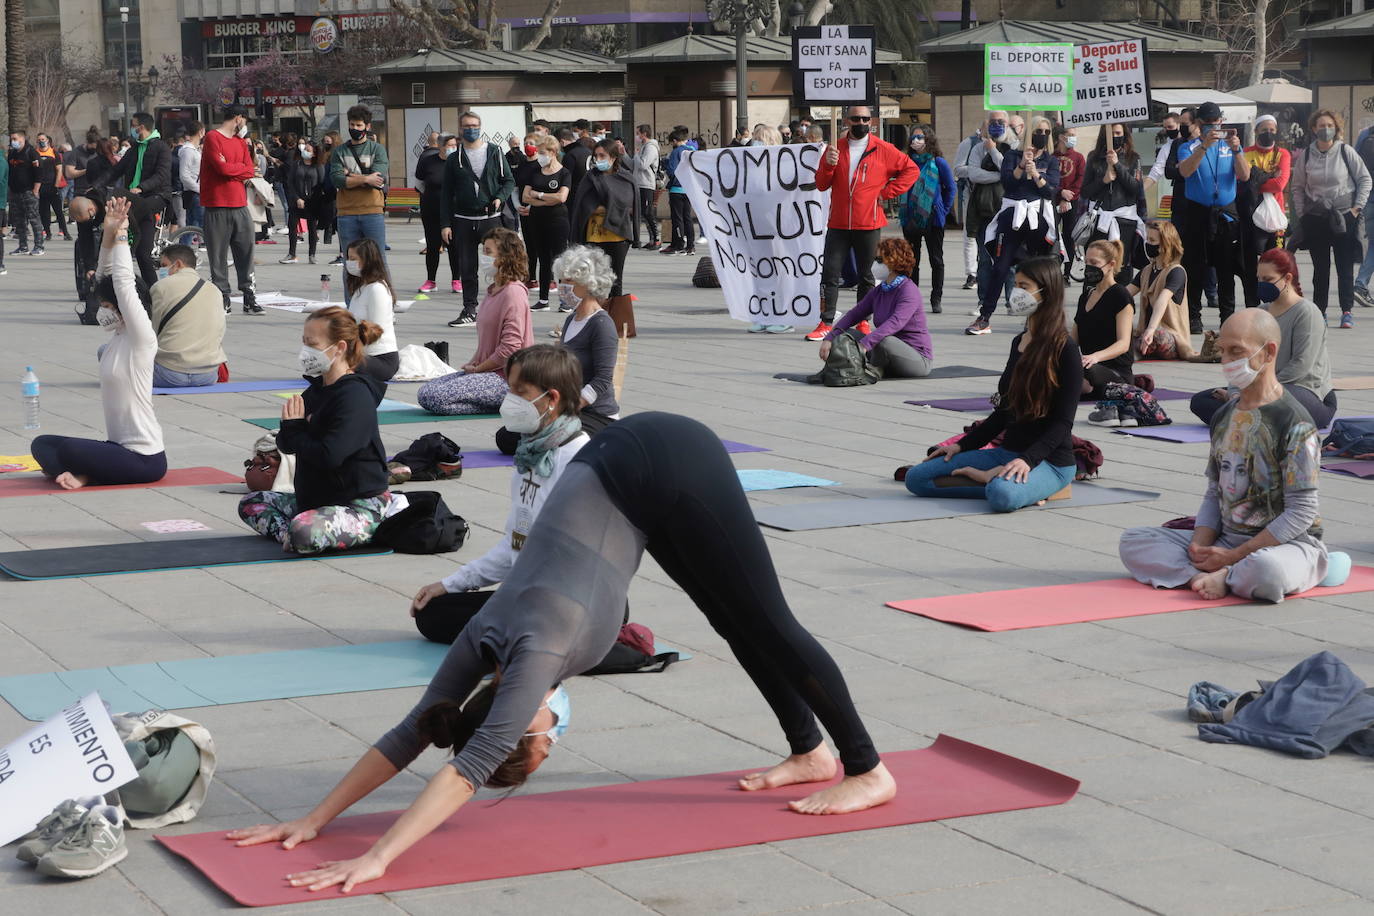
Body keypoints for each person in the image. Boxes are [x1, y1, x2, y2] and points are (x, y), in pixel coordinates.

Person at [226, 410, 897, 892]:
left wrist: (377, 857)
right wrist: (312, 820)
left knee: (769, 620)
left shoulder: (538, 658)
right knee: (733, 619)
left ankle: (866, 768)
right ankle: (810, 750)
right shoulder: (482, 638)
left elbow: (466, 768)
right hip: (620, 474)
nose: (559, 737)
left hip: (664, 453)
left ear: (529, 729)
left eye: (546, 748)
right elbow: (412, 732)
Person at [1120, 308, 1328, 603]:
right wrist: (1200, 546)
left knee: (1268, 570)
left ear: (1269, 352)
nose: (1227, 361)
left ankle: (1229, 574)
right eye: (1223, 352)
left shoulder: (1295, 422)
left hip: (1285, 546)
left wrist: (1235, 555)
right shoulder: (1224, 415)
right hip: (1227, 537)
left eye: (1236, 351)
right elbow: (1215, 491)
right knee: (1134, 541)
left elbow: (1302, 512)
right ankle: (1204, 578)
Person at [413, 345, 591, 638]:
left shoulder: (579, 461)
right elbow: (514, 545)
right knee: (432, 612)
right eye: (510, 390)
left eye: (520, 392)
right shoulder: (530, 454)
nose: (509, 401)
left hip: (570, 600)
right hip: (529, 594)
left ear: (552, 399)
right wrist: (450, 584)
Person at [905, 256, 1081, 510]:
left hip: (1049, 461)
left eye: (1025, 286)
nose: (1017, 292)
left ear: (1047, 291)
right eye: (1017, 284)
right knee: (917, 478)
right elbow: (1003, 414)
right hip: (1007, 452)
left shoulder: (1066, 349)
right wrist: (960, 446)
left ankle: (1012, 483)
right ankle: (1010, 484)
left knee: (1001, 496)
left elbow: (1063, 423)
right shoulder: (1018, 342)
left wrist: (1028, 461)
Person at [31, 198, 166, 487]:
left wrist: (122, 235)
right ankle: (85, 470)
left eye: (107, 305)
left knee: (69, 451)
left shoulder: (141, 338)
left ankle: (85, 475)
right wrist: (108, 230)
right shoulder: (118, 337)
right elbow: (103, 277)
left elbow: (122, 283)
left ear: (124, 307)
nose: (102, 310)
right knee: (41, 444)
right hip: (116, 449)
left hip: (145, 458)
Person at [238, 308, 390, 555]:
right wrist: (293, 428)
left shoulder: (354, 397)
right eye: (304, 342)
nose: (306, 351)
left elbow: (329, 455)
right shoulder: (318, 390)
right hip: (315, 502)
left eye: (312, 343)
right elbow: (286, 444)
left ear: (339, 347)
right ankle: (298, 533)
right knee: (251, 503)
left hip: (357, 506)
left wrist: (296, 430)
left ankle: (305, 533)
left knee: (303, 530)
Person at [1190, 248, 1336, 428]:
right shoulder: (1261, 312)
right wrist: (1236, 391)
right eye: (1259, 279)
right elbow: (1242, 357)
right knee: (1201, 401)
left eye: (1268, 280)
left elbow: (1300, 366)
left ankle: (1243, 413)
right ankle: (1247, 412)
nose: (1261, 284)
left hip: (1305, 391)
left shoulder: (1306, 312)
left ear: (1287, 279)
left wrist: (1252, 390)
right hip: (1259, 387)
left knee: (1267, 403)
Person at [810, 105, 921, 341]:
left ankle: (863, 321)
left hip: (868, 222)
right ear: (847, 121)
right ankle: (826, 321)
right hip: (839, 223)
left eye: (865, 118)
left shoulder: (883, 149)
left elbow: (911, 170)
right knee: (829, 273)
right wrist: (828, 164)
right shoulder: (835, 149)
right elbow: (821, 184)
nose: (861, 122)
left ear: (871, 121)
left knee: (866, 276)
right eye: (856, 118)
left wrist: (887, 192)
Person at [418, 228, 534, 415]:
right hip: (487, 371)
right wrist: (472, 365)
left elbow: (510, 348)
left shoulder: (513, 292)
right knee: (426, 391)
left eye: (488, 252)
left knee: (436, 397)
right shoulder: (493, 290)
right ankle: (495, 404)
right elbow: (487, 345)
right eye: (483, 251)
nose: (483, 257)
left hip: (508, 378)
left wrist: (479, 369)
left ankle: (509, 402)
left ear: (505, 257)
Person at [965, 116, 1060, 336]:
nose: (1042, 135)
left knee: (1037, 270)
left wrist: (1035, 173)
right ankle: (985, 317)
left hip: (1037, 217)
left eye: (1046, 132)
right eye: (1039, 131)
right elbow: (1007, 183)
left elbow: (1050, 191)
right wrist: (1020, 165)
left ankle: (1036, 319)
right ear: (1029, 131)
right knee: (1000, 267)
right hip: (1012, 215)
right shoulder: (1012, 155)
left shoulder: (1050, 160)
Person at [1175, 101, 1251, 334]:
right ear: (1198, 124)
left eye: (1215, 123)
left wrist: (1237, 150)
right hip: (1198, 212)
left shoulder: (1230, 146)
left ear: (1222, 122)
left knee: (1226, 270)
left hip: (1225, 215)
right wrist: (1204, 147)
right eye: (1206, 124)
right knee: (1194, 267)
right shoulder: (1188, 147)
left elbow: (1245, 175)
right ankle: (1193, 317)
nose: (1211, 127)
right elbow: (1185, 171)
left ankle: (1227, 317)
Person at [1291, 108, 1371, 329]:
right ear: (1313, 128)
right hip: (1316, 216)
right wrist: (1302, 213)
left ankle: (1346, 311)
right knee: (1320, 268)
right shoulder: (1306, 154)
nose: (1325, 130)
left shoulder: (1346, 151)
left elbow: (1365, 179)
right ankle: (1320, 311)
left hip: (1344, 216)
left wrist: (1357, 208)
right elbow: (1297, 187)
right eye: (1321, 126)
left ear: (1336, 129)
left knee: (1345, 266)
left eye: (1329, 126)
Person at [538, 245, 622, 441]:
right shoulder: (571, 319)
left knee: (549, 436)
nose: (562, 287)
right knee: (509, 435)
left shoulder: (602, 324)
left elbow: (603, 379)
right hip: (570, 407)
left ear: (588, 283)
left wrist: (569, 406)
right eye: (560, 281)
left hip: (598, 414)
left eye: (568, 281)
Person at [440, 111, 515, 328]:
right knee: (467, 267)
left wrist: (500, 198)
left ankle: (504, 306)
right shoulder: (455, 158)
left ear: (480, 127)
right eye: (466, 126)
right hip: (463, 219)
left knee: (498, 264)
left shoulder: (494, 152)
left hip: (490, 218)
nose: (470, 129)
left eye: (474, 125)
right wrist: (445, 224)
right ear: (460, 129)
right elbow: (446, 194)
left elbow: (508, 181)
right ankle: (469, 309)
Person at [818, 238, 932, 379]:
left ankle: (868, 369)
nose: (874, 263)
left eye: (879, 259)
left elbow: (895, 323)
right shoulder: (880, 290)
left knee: (884, 340)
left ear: (893, 261)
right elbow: (854, 314)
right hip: (886, 352)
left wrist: (865, 344)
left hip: (917, 359)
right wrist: (830, 337)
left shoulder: (909, 290)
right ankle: (845, 367)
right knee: (844, 334)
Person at [202, 105, 260, 315]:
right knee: (217, 255)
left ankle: (249, 296)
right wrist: (239, 170)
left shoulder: (240, 142)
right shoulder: (212, 137)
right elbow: (221, 168)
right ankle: (222, 297)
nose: (245, 124)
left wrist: (235, 170)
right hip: (217, 204)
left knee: (246, 252)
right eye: (244, 119)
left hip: (240, 205)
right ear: (238, 118)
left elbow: (250, 169)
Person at [955, 112, 1017, 307]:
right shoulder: (977, 148)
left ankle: (1010, 300)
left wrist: (993, 152)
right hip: (982, 210)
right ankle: (983, 301)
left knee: (1009, 260)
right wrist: (1000, 176)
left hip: (1007, 211)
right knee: (984, 259)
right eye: (993, 122)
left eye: (1001, 122)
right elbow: (973, 174)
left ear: (1008, 125)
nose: (996, 125)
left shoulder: (1015, 147)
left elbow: (1011, 172)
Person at [330, 104, 390, 303]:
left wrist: (351, 176)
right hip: (346, 213)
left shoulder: (377, 149)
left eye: (358, 124)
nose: (354, 128)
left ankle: (383, 303)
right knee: (351, 264)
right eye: (351, 124)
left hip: (372, 211)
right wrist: (365, 178)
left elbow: (379, 178)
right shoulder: (339, 151)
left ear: (367, 126)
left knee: (378, 259)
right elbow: (337, 180)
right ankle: (352, 305)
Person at [569, 139, 638, 301]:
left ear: (613, 157)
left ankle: (615, 316)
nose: (598, 159)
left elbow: (627, 203)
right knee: (593, 279)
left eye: (602, 155)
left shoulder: (626, 178)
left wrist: (602, 207)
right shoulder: (590, 178)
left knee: (615, 279)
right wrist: (607, 207)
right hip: (593, 235)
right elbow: (584, 205)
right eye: (596, 156)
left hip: (618, 235)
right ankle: (595, 313)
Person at [149, 244, 226, 388]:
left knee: (106, 351)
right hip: (208, 375)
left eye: (164, 265)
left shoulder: (161, 287)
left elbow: (152, 332)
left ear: (177, 264)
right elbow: (220, 332)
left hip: (168, 373)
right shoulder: (214, 290)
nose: (162, 270)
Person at [897, 124, 955, 314]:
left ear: (928, 139)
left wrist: (943, 209)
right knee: (912, 260)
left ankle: (935, 298)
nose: (916, 141)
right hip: (910, 217)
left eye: (920, 137)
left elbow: (950, 188)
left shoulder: (938, 162)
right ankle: (912, 300)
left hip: (932, 218)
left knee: (936, 260)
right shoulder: (905, 161)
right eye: (913, 138)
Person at [1072, 240, 1135, 406]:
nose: (1088, 267)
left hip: (1114, 370)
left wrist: (1095, 357)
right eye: (1086, 262)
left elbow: (1123, 344)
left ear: (1111, 265)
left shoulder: (1120, 295)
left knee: (1082, 373)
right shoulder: (1085, 296)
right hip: (1087, 365)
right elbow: (1073, 340)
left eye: (1094, 263)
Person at [113, 112, 173, 286]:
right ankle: (150, 286)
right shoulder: (134, 149)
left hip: (156, 196)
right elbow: (116, 171)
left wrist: (142, 187)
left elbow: (161, 176)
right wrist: (96, 184)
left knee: (140, 247)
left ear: (141, 127)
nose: (131, 128)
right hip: (136, 199)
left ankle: (134, 242)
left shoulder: (161, 147)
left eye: (133, 124)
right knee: (141, 253)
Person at [1079, 122, 1147, 275]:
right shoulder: (1094, 157)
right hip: (1099, 221)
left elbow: (1135, 188)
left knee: (1122, 268)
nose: (1115, 137)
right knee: (1097, 266)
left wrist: (1117, 165)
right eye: (1112, 134)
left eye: (1118, 133)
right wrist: (1103, 180)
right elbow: (1085, 191)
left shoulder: (1133, 158)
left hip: (1124, 222)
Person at [1239, 115, 1291, 307]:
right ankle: (1252, 305)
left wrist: (1256, 179)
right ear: (1256, 132)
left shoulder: (1283, 154)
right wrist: (1264, 178)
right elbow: (1242, 182)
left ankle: (1277, 303)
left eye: (1271, 130)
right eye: (1263, 130)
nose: (1268, 133)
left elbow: (1279, 184)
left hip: (1275, 219)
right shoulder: (1246, 153)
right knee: (1250, 265)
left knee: (1276, 263)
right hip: (1250, 216)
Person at [1128, 220, 1194, 360]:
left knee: (1157, 334)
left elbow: (1162, 301)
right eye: (1147, 239)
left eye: (1152, 240)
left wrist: (1151, 329)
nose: (1148, 244)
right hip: (1146, 334)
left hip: (1170, 337)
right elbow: (1125, 294)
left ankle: (1135, 349)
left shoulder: (1176, 271)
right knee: (1121, 331)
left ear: (1165, 244)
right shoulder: (1146, 271)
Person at [521, 134, 572, 312]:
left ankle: (565, 300)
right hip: (536, 219)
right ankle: (543, 299)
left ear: (553, 152)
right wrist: (545, 199)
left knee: (559, 260)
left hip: (558, 220)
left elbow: (561, 197)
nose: (539, 155)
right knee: (543, 259)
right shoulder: (535, 171)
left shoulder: (564, 173)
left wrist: (539, 195)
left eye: (542, 152)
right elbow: (525, 196)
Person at [341, 238, 400, 384]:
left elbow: (375, 331)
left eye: (354, 259)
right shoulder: (362, 287)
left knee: (335, 362)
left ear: (367, 261)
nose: (349, 263)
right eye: (348, 258)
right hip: (362, 354)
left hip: (380, 358)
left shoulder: (377, 289)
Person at [416, 133, 458, 294]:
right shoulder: (428, 161)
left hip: (454, 210)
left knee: (454, 246)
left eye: (455, 145)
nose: (452, 148)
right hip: (431, 209)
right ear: (440, 146)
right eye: (449, 146)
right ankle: (431, 280)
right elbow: (419, 183)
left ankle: (456, 279)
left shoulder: (459, 162)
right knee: (433, 245)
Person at [280, 139, 324, 265]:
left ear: (314, 153)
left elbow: (321, 184)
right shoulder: (297, 164)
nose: (305, 151)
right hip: (296, 201)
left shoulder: (318, 166)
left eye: (308, 150)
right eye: (305, 149)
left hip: (312, 202)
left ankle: (312, 254)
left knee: (312, 228)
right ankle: (292, 254)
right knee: (292, 226)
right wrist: (297, 198)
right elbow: (290, 182)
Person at [1052, 125, 1085, 284]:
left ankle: (1067, 273)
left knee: (1069, 236)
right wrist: (1060, 192)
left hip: (1072, 201)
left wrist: (1067, 198)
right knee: (1052, 235)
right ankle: (1053, 270)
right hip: (1053, 200)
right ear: (1061, 137)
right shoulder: (1052, 157)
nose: (1073, 138)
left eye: (1074, 135)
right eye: (1070, 135)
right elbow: (1049, 180)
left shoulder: (1078, 157)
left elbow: (1080, 180)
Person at [8, 129, 45, 256]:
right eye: (11, 139)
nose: (12, 142)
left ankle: (39, 246)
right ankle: (23, 246)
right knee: (19, 221)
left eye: (14, 139)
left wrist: (35, 190)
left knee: (34, 219)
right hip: (15, 192)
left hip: (28, 192)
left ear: (22, 139)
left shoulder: (31, 153)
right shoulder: (12, 153)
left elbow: (39, 173)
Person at [659, 126, 695, 256]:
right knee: (687, 218)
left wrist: (667, 165)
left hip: (677, 189)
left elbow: (672, 170)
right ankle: (690, 246)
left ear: (675, 141)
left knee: (677, 218)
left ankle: (679, 244)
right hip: (688, 189)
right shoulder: (692, 151)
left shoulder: (676, 152)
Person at [34, 132, 69, 242]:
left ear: (48, 140)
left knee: (59, 211)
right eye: (39, 139)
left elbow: (59, 170)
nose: (41, 141)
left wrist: (56, 185)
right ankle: (48, 233)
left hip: (53, 186)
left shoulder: (54, 153)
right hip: (41, 187)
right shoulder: (35, 153)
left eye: (43, 139)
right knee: (44, 212)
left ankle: (66, 233)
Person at [633, 124, 661, 251]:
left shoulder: (651, 148)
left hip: (646, 184)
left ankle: (656, 239)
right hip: (639, 183)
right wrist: (625, 155)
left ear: (644, 134)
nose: (637, 136)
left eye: (638, 133)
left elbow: (643, 165)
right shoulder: (643, 147)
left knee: (648, 212)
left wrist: (637, 155)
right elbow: (634, 165)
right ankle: (651, 239)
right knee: (644, 212)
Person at [1356, 120, 1374, 307]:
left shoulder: (1365, 133)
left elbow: (1356, 165)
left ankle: (1361, 284)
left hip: (1368, 197)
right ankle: (1360, 284)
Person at [1144, 112, 1182, 192]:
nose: (1167, 130)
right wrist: (1140, 192)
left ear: (1179, 124)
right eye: (1165, 128)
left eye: (1170, 127)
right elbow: (1156, 171)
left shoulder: (1191, 141)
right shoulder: (1166, 148)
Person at [179, 122, 205, 230]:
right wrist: (200, 189)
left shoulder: (195, 150)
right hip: (195, 193)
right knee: (203, 224)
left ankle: (184, 246)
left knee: (192, 225)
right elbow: (184, 175)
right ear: (200, 132)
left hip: (195, 192)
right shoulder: (188, 151)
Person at [557, 127, 591, 196]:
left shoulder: (570, 155)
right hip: (590, 191)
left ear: (562, 142)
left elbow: (566, 179)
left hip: (575, 194)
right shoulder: (588, 150)